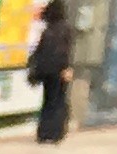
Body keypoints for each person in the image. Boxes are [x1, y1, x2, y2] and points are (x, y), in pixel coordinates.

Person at [27, 0, 75, 137]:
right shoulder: (65, 29)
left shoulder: (48, 30)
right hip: (59, 70)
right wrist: (67, 67)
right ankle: (55, 131)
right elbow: (65, 52)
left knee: (47, 100)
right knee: (58, 100)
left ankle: (44, 131)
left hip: (46, 70)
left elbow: (40, 50)